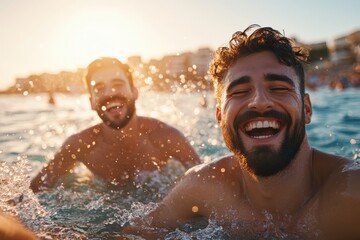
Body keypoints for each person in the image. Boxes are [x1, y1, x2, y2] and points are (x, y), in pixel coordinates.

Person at [121, 25, 360, 239]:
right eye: (239, 92)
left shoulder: (350, 195)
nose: (259, 102)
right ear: (219, 117)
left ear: (306, 109)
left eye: (278, 87)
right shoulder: (204, 187)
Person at [30, 57, 200, 192]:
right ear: (91, 102)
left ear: (134, 92)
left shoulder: (167, 137)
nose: (110, 94)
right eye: (99, 89)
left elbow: (206, 183)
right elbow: (33, 192)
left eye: (118, 85)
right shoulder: (79, 145)